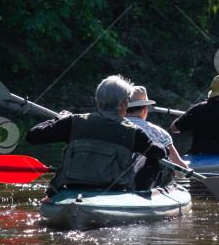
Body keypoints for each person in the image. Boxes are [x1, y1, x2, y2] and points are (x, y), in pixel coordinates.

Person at [25, 75, 168, 195]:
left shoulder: (72, 122)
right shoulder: (133, 131)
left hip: (71, 188)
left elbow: (32, 136)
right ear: (124, 103)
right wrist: (161, 148)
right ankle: (140, 196)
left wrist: (58, 120)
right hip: (115, 192)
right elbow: (161, 152)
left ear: (98, 101)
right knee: (155, 158)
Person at [124, 86, 190, 188]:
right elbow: (179, 168)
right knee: (166, 162)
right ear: (145, 109)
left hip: (115, 177)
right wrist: (188, 172)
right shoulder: (160, 134)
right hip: (144, 181)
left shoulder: (112, 127)